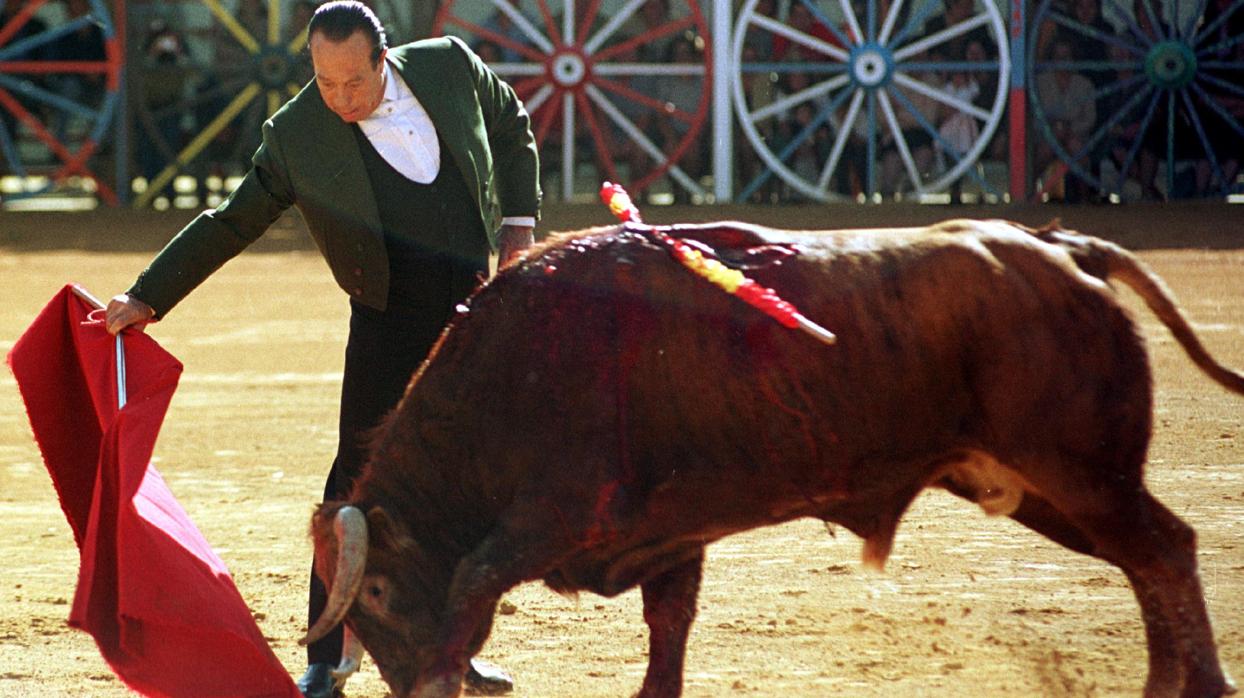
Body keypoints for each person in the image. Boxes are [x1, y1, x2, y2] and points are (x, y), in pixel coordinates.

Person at [104, 3, 540, 697]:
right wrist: (147, 295)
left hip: (471, 313)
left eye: (352, 84)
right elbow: (232, 220)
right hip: (386, 319)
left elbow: (512, 126)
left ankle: (449, 650)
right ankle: (327, 655)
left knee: (460, 486)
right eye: (323, 81)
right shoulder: (297, 134)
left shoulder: (451, 67)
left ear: (384, 59)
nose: (338, 99)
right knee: (354, 488)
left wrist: (518, 224)